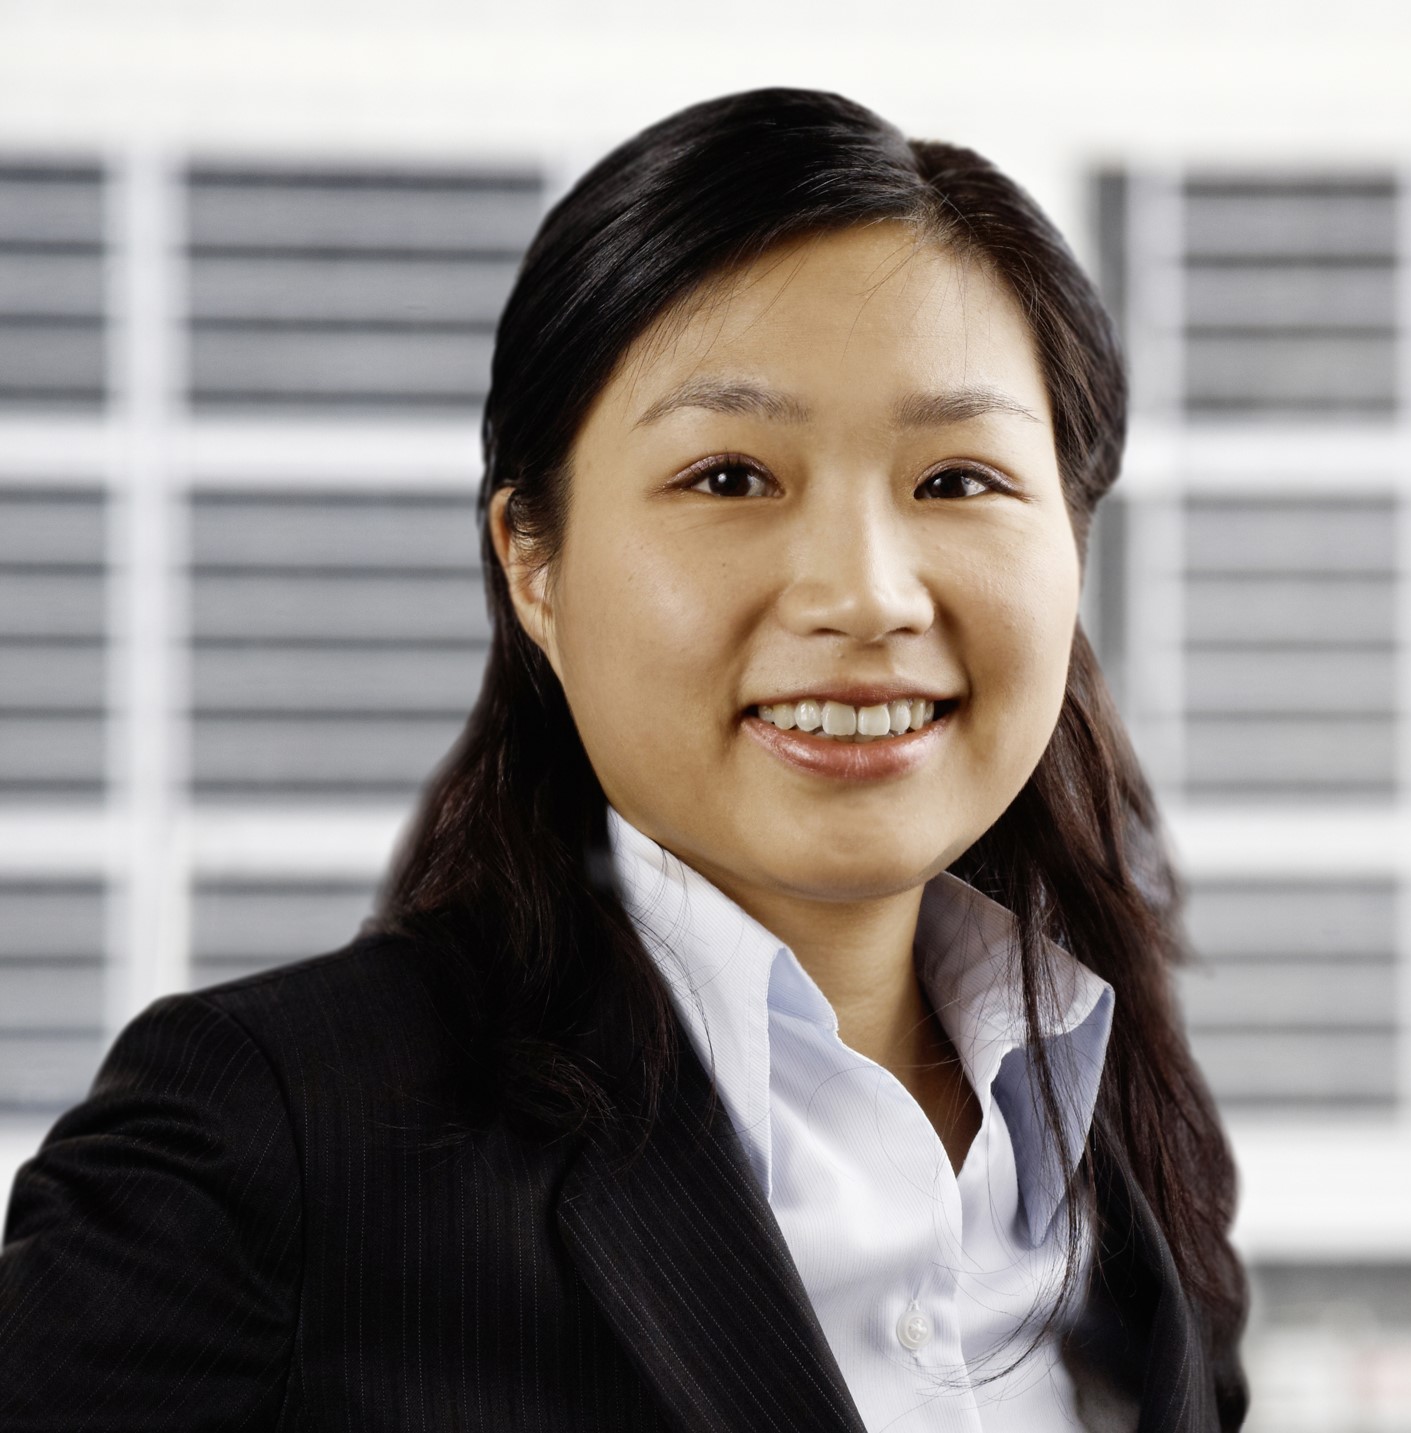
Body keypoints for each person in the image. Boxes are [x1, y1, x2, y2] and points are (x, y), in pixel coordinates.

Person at [0, 87, 1247, 1431]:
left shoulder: (1117, 1144)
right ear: (532, 561)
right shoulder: (270, 1142)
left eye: (956, 481)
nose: (866, 595)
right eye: (728, 477)